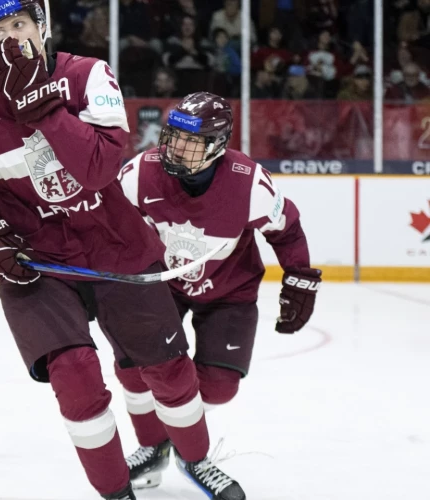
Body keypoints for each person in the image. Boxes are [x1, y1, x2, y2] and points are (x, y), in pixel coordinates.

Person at [0, 2, 245, 499]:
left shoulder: (88, 76)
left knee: (167, 372)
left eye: (19, 25)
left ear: (42, 27)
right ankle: (115, 492)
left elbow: (100, 169)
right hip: (34, 262)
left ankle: (197, 460)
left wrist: (43, 107)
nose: (10, 38)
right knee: (74, 378)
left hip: (116, 247)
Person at [116, 91, 319, 490]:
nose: (176, 149)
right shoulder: (139, 173)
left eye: (191, 143)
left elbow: (287, 228)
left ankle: (177, 432)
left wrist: (300, 280)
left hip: (230, 291)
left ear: (217, 146)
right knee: (132, 369)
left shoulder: (250, 185)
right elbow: (111, 227)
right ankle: (155, 447)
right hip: (162, 286)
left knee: (219, 388)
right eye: (174, 137)